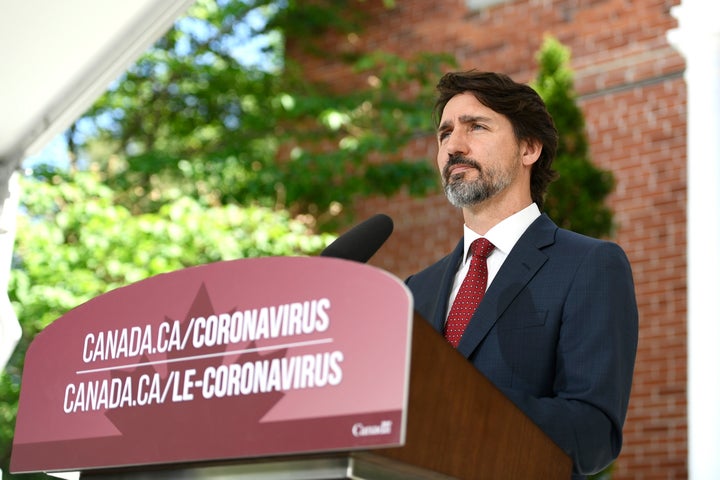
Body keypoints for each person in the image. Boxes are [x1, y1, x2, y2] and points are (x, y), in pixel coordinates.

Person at [405, 70, 638, 478]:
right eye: (444, 134)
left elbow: (592, 435)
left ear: (529, 148)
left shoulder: (589, 265)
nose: (453, 146)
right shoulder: (415, 290)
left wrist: (459, 407)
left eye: (476, 126)